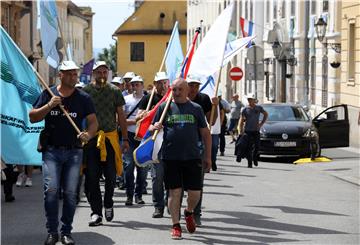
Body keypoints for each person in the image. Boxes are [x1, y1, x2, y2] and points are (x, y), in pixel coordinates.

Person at [29, 60, 98, 245]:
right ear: (61, 75)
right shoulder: (48, 93)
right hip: (51, 151)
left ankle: (66, 231)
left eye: (75, 73)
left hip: (74, 152)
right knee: (50, 191)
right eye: (70, 74)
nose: (74, 77)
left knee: (69, 193)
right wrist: (49, 105)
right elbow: (32, 116)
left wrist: (89, 134)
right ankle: (52, 231)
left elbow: (93, 122)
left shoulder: (84, 98)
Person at [149, 78, 211, 239]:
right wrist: (154, 127)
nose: (176, 93)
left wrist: (208, 157)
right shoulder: (164, 107)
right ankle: (176, 225)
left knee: (195, 193)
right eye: (174, 90)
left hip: (192, 156)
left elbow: (205, 133)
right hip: (171, 157)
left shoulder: (196, 108)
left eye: (179, 90)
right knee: (174, 192)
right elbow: (150, 126)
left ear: (187, 91)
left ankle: (189, 212)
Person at [83, 61, 130, 227]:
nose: (102, 75)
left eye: (105, 72)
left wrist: (125, 138)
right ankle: (96, 212)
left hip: (110, 139)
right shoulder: (86, 91)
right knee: (91, 178)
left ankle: (108, 202)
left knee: (111, 176)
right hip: (91, 140)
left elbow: (121, 116)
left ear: (108, 73)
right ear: (94, 73)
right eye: (99, 72)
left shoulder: (115, 91)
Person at [136, 71, 169, 218]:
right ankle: (158, 206)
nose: (163, 85)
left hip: (170, 142)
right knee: (157, 177)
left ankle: (170, 200)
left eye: (165, 82)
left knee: (170, 176)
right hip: (154, 141)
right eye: (160, 82)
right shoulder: (148, 98)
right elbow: (139, 118)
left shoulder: (172, 98)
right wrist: (145, 115)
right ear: (155, 84)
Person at [186, 75, 218, 226]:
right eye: (191, 85)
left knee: (197, 183)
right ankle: (171, 203)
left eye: (196, 86)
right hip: (179, 147)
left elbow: (211, 120)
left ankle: (196, 213)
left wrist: (215, 106)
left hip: (198, 145)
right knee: (177, 184)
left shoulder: (204, 99)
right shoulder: (178, 98)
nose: (193, 88)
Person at [123, 75, 147, 206]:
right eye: (133, 84)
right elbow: (120, 120)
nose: (135, 87)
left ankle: (139, 195)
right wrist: (135, 121)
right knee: (129, 166)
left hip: (143, 137)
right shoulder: (125, 100)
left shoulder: (148, 99)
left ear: (142, 85)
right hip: (129, 136)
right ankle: (129, 195)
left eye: (137, 84)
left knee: (142, 168)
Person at [238, 93, 268, 168]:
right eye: (249, 99)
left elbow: (266, 114)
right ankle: (249, 163)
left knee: (257, 146)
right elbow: (241, 120)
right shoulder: (245, 109)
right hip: (248, 131)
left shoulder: (259, 108)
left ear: (254, 100)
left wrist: (261, 123)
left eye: (251, 99)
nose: (250, 101)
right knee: (249, 147)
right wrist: (241, 130)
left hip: (256, 130)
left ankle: (255, 157)